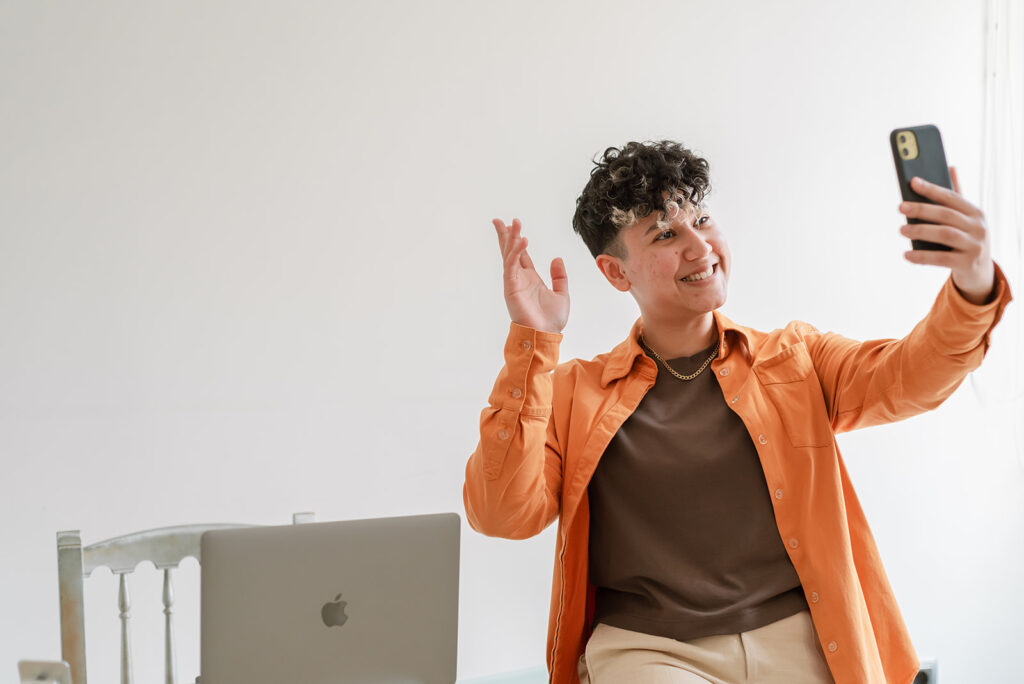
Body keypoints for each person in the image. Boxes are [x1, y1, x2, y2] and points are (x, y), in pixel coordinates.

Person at [463, 140, 1013, 684]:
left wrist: (973, 280)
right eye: (666, 234)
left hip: (803, 636)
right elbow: (504, 515)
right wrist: (534, 343)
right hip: (650, 652)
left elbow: (909, 376)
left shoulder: (793, 359)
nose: (700, 247)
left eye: (702, 219)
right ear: (615, 272)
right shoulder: (572, 392)